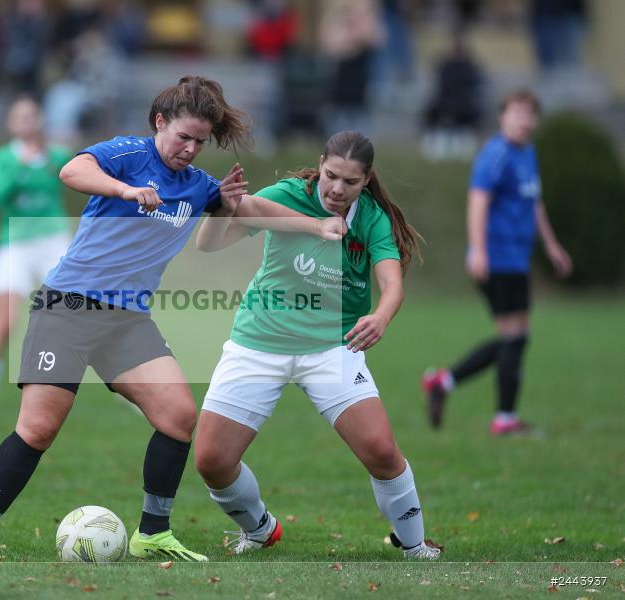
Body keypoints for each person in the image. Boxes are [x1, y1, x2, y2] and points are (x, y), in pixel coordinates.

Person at [0, 75, 342, 562]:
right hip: (68, 307)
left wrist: (313, 225)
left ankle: (152, 532)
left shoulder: (199, 186)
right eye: (184, 136)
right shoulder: (128, 154)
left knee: (179, 417)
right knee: (38, 430)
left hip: (127, 322)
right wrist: (126, 190)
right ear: (160, 122)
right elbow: (73, 172)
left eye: (200, 141)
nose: (191, 148)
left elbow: (254, 210)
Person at [192, 130, 443, 560]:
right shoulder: (288, 195)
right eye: (330, 176)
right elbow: (208, 243)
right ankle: (259, 529)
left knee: (382, 451)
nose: (337, 189)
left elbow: (391, 283)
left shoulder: (372, 219)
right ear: (320, 164)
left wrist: (381, 316)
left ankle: (415, 543)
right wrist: (223, 206)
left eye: (350, 182)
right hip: (259, 341)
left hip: (331, 347)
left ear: (366, 181)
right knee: (212, 460)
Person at [422, 89, 572, 435]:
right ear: (502, 117)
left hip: (517, 259)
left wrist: (551, 245)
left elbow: (535, 202)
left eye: (530, 113)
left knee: (516, 337)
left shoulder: (528, 153)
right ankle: (504, 418)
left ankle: (444, 382)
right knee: (514, 336)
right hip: (498, 258)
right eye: (517, 112)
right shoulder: (496, 155)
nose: (524, 120)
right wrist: (478, 250)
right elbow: (478, 201)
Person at [0, 96, 72, 417]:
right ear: (11, 123)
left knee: (83, 319)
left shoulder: (56, 156)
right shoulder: (2, 158)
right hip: (15, 246)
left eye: (32, 116)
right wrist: (22, 166)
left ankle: (129, 391)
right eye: (20, 117)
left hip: (54, 242)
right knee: (6, 322)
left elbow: (79, 178)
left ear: (40, 121)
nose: (26, 122)